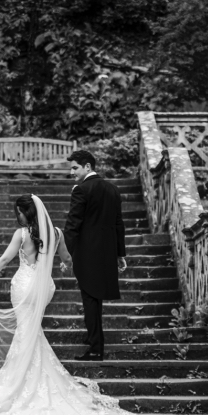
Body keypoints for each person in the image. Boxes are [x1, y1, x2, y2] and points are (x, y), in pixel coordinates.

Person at [0, 193, 138, 415]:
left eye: (19, 211)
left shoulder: (21, 234)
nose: (16, 216)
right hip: (44, 288)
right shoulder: (55, 233)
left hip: (24, 286)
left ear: (26, 213)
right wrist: (63, 264)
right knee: (30, 333)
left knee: (25, 332)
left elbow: (6, 259)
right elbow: (66, 258)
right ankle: (30, 376)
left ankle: (19, 382)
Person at [63, 149, 127, 361]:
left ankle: (95, 348)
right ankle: (94, 338)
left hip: (87, 253)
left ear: (87, 167)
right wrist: (119, 254)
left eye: (75, 168)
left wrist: (66, 255)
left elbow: (73, 225)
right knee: (95, 299)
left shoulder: (81, 190)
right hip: (107, 253)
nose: (72, 172)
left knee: (90, 299)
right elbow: (119, 224)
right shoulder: (112, 189)